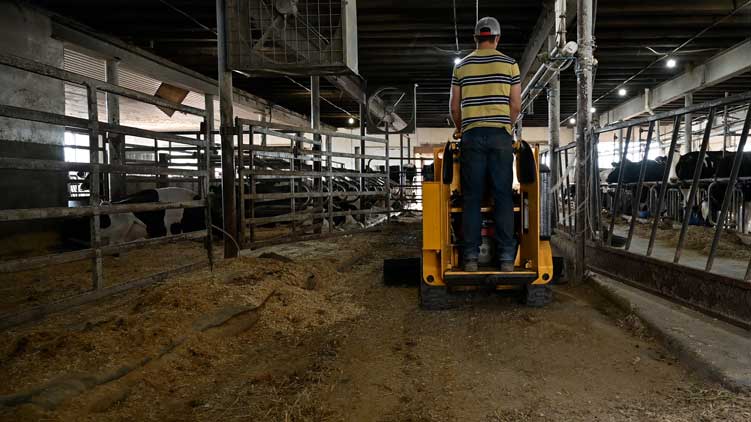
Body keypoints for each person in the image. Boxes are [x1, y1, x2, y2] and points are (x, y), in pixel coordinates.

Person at [449, 16, 522, 272]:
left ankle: (469, 257)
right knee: (502, 196)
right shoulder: (510, 64)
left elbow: (455, 108)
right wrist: (506, 126)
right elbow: (516, 106)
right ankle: (505, 259)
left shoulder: (462, 67)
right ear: (497, 38)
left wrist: (462, 130)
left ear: (476, 39)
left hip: (471, 136)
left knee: (471, 197)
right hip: (500, 136)